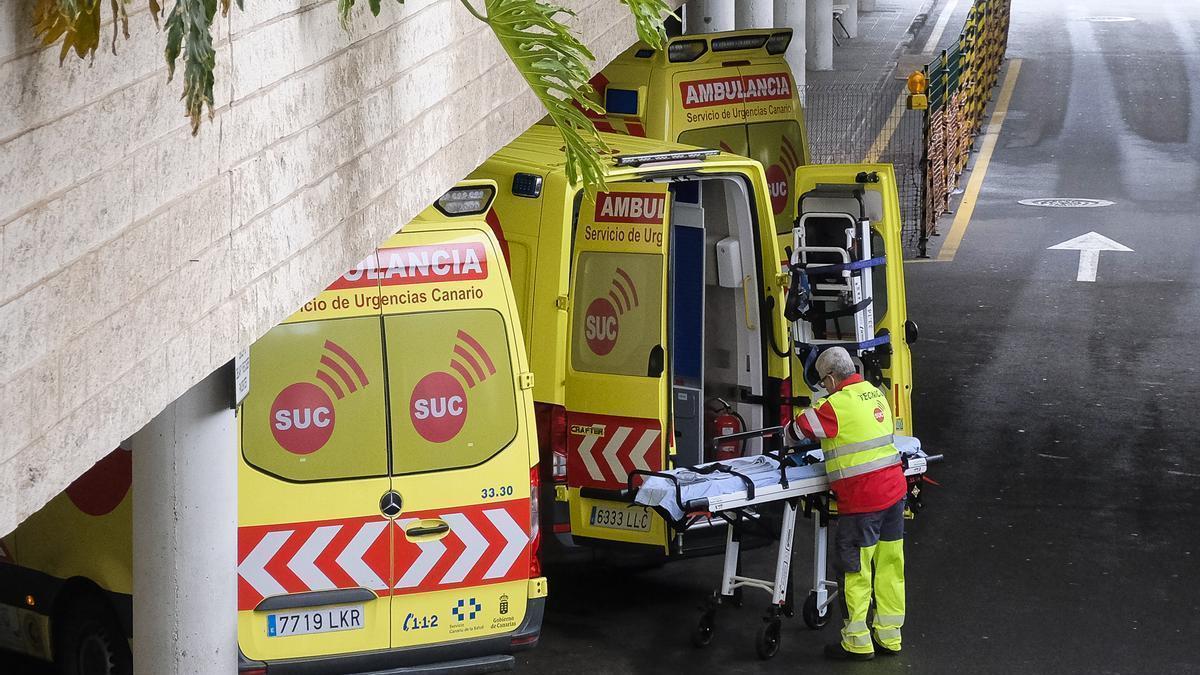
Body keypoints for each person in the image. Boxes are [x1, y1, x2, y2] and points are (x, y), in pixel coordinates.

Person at [787, 346, 908, 661]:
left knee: (854, 569)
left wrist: (789, 433)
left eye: (823, 382)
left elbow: (798, 430)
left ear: (829, 378)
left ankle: (857, 641)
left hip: (863, 500)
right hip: (894, 493)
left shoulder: (834, 406)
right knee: (889, 567)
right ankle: (889, 637)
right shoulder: (875, 393)